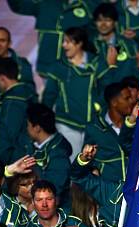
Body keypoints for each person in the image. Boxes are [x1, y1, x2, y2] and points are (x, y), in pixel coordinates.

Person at [42, 27, 102, 161]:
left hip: (93, 125)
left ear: (79, 43)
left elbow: (103, 91)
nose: (64, 45)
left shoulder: (97, 63)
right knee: (72, 162)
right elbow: (49, 96)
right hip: (67, 124)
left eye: (68, 42)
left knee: (91, 164)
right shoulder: (58, 67)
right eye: (64, 41)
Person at [12, 102, 72, 206]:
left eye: (28, 125)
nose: (26, 128)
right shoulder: (31, 144)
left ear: (37, 128)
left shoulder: (59, 155)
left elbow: (53, 190)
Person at [84, 81, 136, 182]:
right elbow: (87, 157)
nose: (132, 101)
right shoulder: (94, 128)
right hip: (108, 190)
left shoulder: (137, 124)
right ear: (114, 102)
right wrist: (94, 169)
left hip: (135, 187)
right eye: (127, 98)